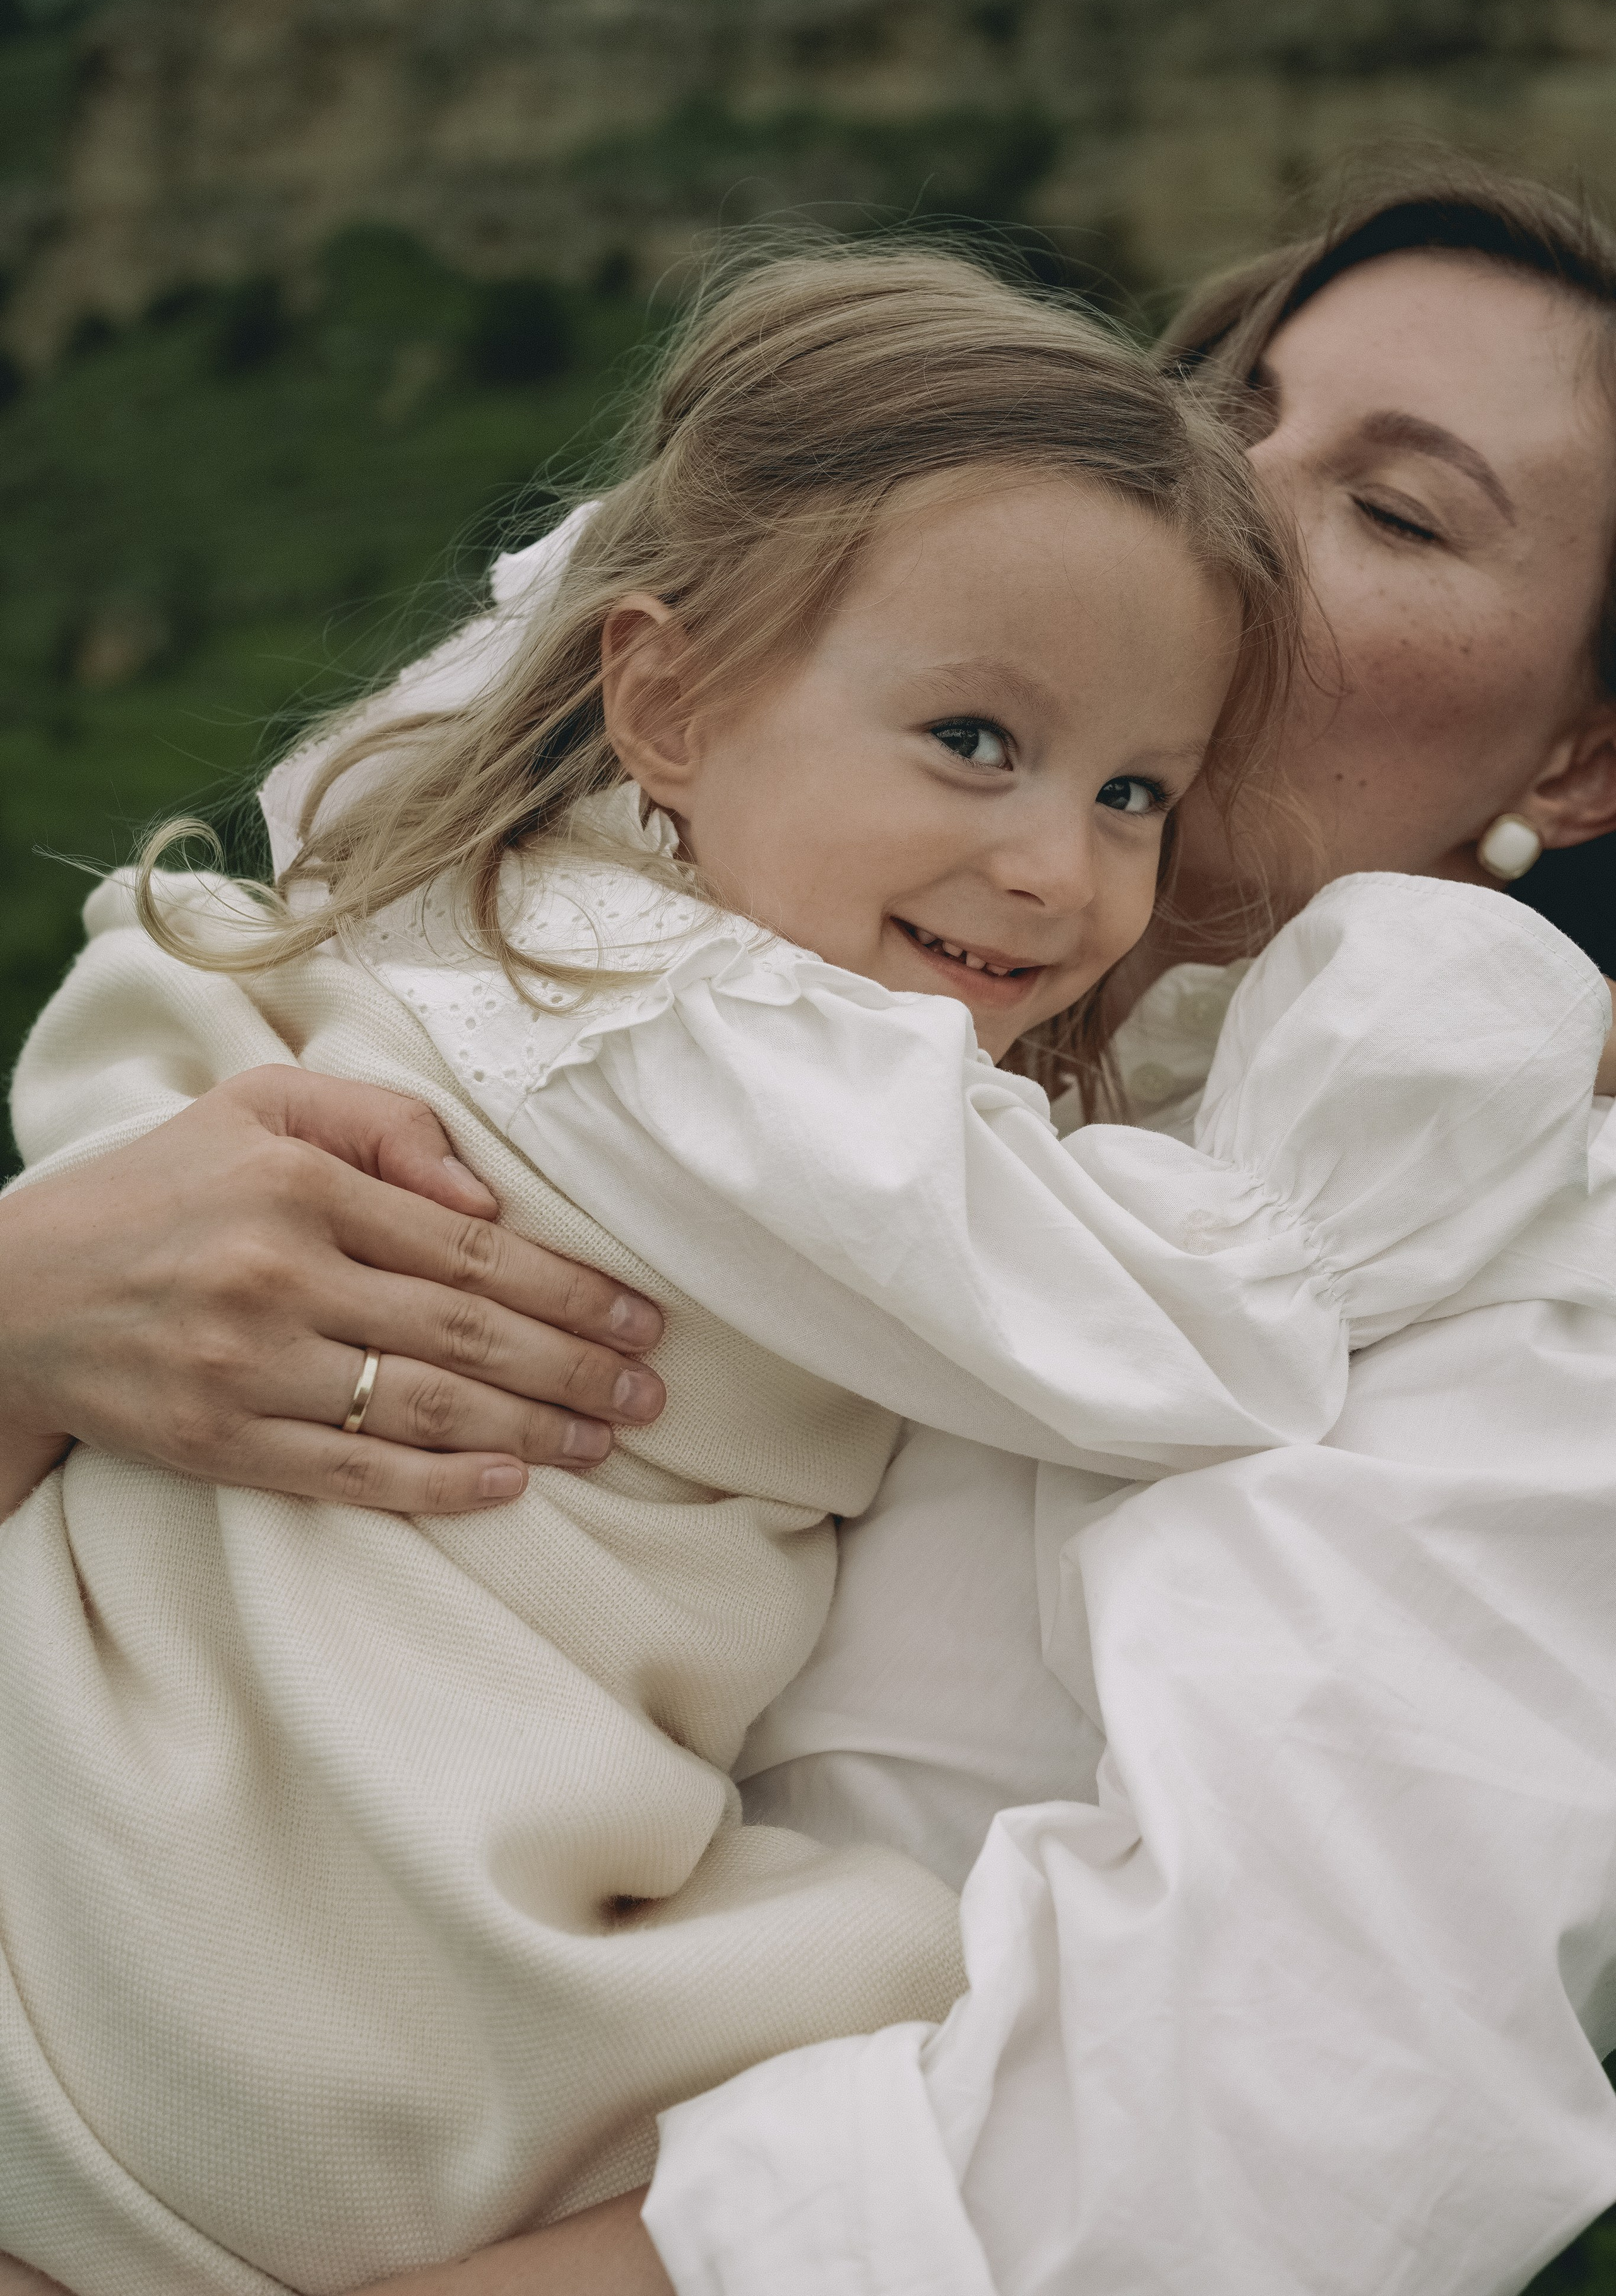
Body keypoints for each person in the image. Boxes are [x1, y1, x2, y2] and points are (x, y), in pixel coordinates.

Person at [6, 150, 1616, 2296]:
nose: (1237, 514)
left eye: (1398, 511)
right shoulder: (665, 925)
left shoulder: (1537, 1291)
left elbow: (1228, 2159)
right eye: (1232, 417)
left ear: (1588, 754)